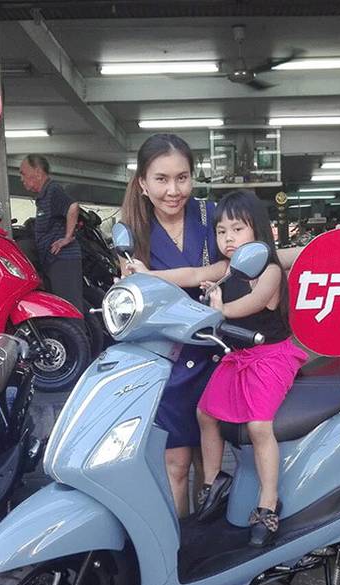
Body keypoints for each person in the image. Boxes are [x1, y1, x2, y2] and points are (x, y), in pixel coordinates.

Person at [128, 190, 308, 546]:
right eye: (221, 231)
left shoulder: (270, 269)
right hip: (237, 356)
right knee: (205, 413)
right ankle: (213, 483)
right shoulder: (228, 268)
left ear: (258, 230)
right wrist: (149, 275)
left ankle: (268, 502)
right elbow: (193, 273)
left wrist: (219, 309)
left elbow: (256, 301)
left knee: (259, 427)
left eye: (237, 229)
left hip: (270, 356)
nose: (228, 238)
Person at [120, 134, 218, 518]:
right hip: (168, 360)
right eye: (161, 179)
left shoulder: (212, 215)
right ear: (143, 183)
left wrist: (334, 245)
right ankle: (179, 544)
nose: (174, 190)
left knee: (209, 465)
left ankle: (208, 535)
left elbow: (248, 259)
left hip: (217, 351)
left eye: (182, 178)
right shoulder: (131, 232)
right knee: (175, 463)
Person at [19, 154, 84, 312]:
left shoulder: (53, 190)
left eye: (23, 173)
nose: (21, 178)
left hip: (63, 260)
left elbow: (73, 206)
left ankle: (75, 330)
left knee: (68, 307)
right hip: (52, 260)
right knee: (58, 306)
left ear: (38, 172)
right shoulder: (43, 196)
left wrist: (67, 238)